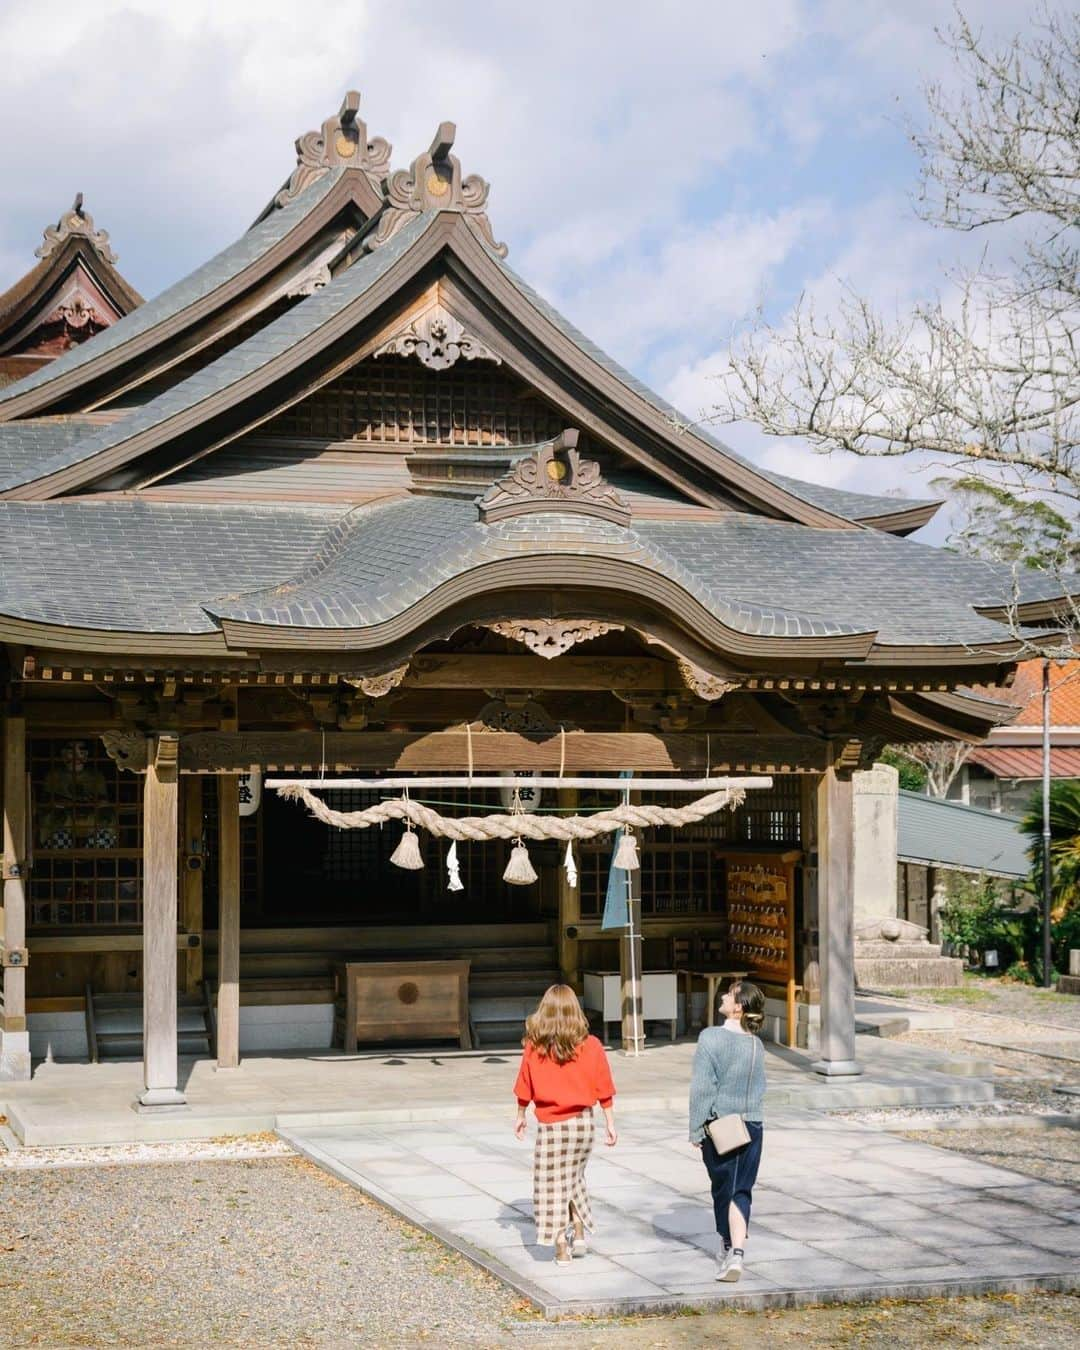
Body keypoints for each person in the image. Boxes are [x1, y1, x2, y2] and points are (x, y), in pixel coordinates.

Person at [513, 984, 618, 1265]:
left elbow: (525, 1085)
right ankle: (580, 1233)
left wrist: (521, 1114)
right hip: (583, 1124)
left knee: (550, 1186)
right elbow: (603, 1085)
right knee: (574, 1178)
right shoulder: (592, 1045)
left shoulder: (534, 1047)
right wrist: (609, 1121)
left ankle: (560, 1244)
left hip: (552, 1125)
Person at [688, 979, 766, 1282]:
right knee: (741, 1190)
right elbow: (760, 1087)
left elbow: (703, 1087)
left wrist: (696, 1128)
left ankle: (732, 1249)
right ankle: (733, 1248)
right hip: (754, 1124)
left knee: (725, 1190)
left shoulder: (711, 1038)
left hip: (723, 1126)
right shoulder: (755, 1044)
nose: (722, 995)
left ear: (738, 1007)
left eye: (729, 994)